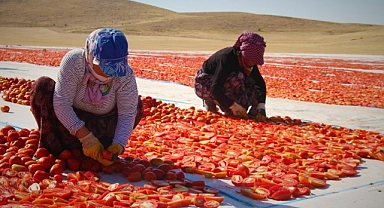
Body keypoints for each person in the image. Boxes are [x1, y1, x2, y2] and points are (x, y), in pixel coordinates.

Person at [30, 28, 143, 166]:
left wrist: (118, 144)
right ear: (89, 55)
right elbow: (62, 104)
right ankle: (55, 149)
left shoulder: (125, 75)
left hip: (102, 130)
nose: (110, 73)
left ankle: (100, 151)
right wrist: (87, 139)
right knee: (42, 86)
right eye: (104, 66)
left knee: (136, 104)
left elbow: (127, 114)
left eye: (116, 67)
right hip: (66, 126)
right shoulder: (74, 61)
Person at [194, 30, 267, 121]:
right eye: (249, 60)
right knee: (237, 77)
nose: (251, 63)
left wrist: (261, 106)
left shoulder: (249, 61)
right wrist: (233, 106)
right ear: (241, 52)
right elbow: (216, 88)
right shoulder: (227, 58)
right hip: (206, 83)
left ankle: (252, 111)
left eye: (253, 61)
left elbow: (259, 83)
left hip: (225, 82)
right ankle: (210, 100)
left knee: (250, 81)